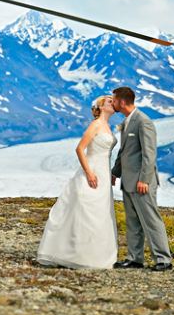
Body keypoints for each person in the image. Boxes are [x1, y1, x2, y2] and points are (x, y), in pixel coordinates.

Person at [36, 95, 119, 269]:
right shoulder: (96, 125)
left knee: (101, 213)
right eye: (110, 101)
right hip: (93, 171)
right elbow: (80, 148)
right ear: (101, 106)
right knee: (86, 211)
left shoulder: (107, 126)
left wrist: (110, 173)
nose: (114, 103)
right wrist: (89, 173)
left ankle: (95, 256)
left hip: (104, 173)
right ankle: (76, 255)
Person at [110, 86, 173, 271]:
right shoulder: (127, 121)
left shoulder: (143, 121)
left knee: (151, 220)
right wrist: (115, 172)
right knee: (133, 222)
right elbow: (124, 152)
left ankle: (163, 260)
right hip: (128, 181)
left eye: (114, 100)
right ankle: (134, 258)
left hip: (141, 182)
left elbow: (149, 154)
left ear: (122, 102)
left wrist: (144, 179)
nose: (112, 103)